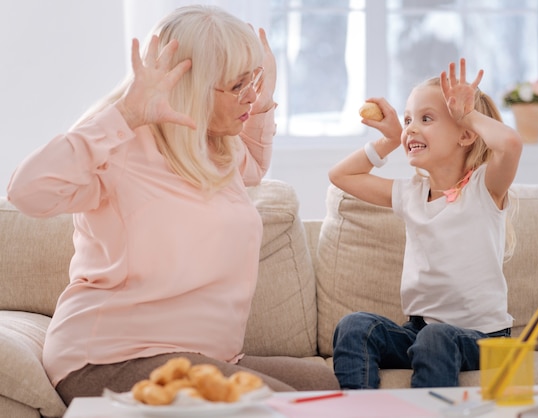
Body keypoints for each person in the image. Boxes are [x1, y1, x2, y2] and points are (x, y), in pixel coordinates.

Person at [6, 5, 338, 405]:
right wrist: (124, 115)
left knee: (325, 388)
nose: (249, 94)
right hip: (109, 358)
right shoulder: (122, 147)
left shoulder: (213, 144)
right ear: (192, 87)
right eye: (237, 86)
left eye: (255, 79)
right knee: (278, 406)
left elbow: (252, 168)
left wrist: (261, 100)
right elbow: (27, 192)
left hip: (200, 356)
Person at [329, 58, 523, 389]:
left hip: (487, 340)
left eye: (426, 118)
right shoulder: (411, 194)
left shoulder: (484, 187)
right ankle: (361, 410)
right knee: (355, 326)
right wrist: (389, 140)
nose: (411, 128)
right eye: (408, 120)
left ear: (465, 135)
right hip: (422, 331)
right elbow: (341, 176)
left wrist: (469, 116)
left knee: (436, 338)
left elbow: (511, 144)